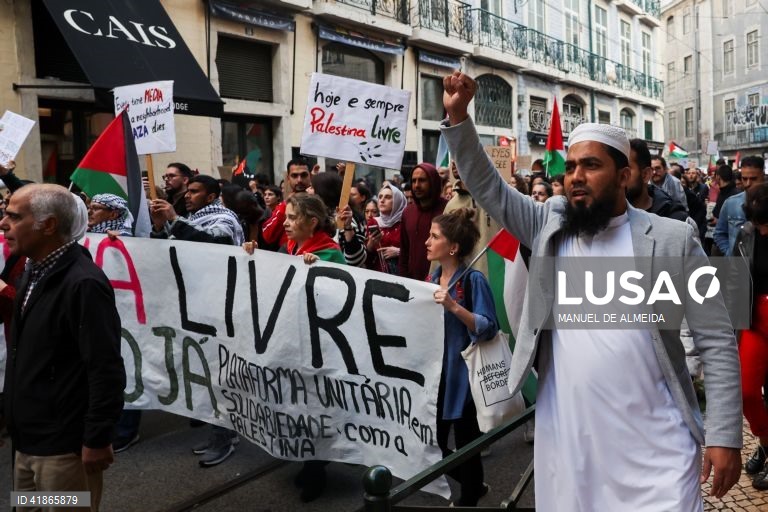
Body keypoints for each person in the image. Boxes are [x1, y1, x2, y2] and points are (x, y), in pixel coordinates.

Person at [441, 71, 741, 510]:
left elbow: (716, 339)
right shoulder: (550, 225)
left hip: (658, 453)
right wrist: (459, 119)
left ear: (624, 176)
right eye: (572, 165)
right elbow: (490, 189)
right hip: (570, 445)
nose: (575, 176)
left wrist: (725, 435)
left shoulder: (674, 239)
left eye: (591, 165)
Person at [1, 184, 125, 511]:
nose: (3, 223)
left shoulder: (83, 284)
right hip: (27, 442)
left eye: (14, 216)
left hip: (62, 451)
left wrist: (96, 438)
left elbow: (105, 366)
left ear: (49, 225)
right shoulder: (31, 271)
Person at [149, 175, 243, 467]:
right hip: (193, 308)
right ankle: (222, 432)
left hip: (219, 310)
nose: (188, 196)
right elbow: (166, 254)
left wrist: (175, 218)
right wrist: (158, 227)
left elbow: (215, 243)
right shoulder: (190, 219)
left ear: (213, 195)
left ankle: (223, 438)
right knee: (203, 372)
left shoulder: (225, 219)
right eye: (186, 191)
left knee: (218, 377)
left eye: (195, 191)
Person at [427, 208, 498, 506]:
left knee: (467, 444)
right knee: (433, 443)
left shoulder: (473, 281)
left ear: (453, 247)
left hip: (465, 378)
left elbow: (488, 326)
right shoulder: (432, 276)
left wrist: (455, 307)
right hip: (437, 375)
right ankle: (474, 484)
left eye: (434, 237)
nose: (428, 242)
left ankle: (470, 496)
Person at [734, 183, 768, 489]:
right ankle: (766, 440)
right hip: (756, 321)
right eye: (758, 224)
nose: (763, 230)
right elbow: (734, 276)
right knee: (745, 392)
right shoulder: (747, 233)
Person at [399, 163, 447, 280]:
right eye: (414, 181)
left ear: (433, 182)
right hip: (413, 284)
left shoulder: (448, 209)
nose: (416, 185)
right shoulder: (407, 212)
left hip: (442, 282)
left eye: (422, 180)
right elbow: (404, 252)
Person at [714, 156, 765, 255]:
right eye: (744, 179)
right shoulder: (731, 203)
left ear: (763, 176)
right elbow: (719, 234)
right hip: (738, 268)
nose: (748, 183)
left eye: (754, 179)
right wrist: (730, 254)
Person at [262, 159, 311, 249]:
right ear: (288, 179)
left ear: (310, 176)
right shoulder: (283, 206)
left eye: (303, 175)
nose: (299, 180)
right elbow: (267, 235)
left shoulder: (320, 201)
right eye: (294, 176)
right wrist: (287, 206)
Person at [366, 183, 405, 273]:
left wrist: (399, 252)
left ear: (397, 201)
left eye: (387, 197)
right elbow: (366, 258)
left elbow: (415, 251)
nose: (382, 200)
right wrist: (370, 245)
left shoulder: (406, 222)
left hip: (401, 275)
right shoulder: (373, 222)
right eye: (380, 197)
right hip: (376, 274)